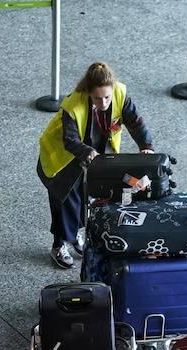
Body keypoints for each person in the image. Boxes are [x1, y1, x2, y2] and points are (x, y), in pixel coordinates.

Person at [36, 61, 157, 269]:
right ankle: (58, 245)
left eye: (107, 97)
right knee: (64, 201)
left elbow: (135, 121)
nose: (104, 103)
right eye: (98, 98)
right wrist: (88, 152)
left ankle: (74, 236)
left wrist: (146, 146)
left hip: (93, 154)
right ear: (88, 93)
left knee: (85, 198)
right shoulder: (73, 107)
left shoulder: (119, 93)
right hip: (62, 158)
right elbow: (70, 141)